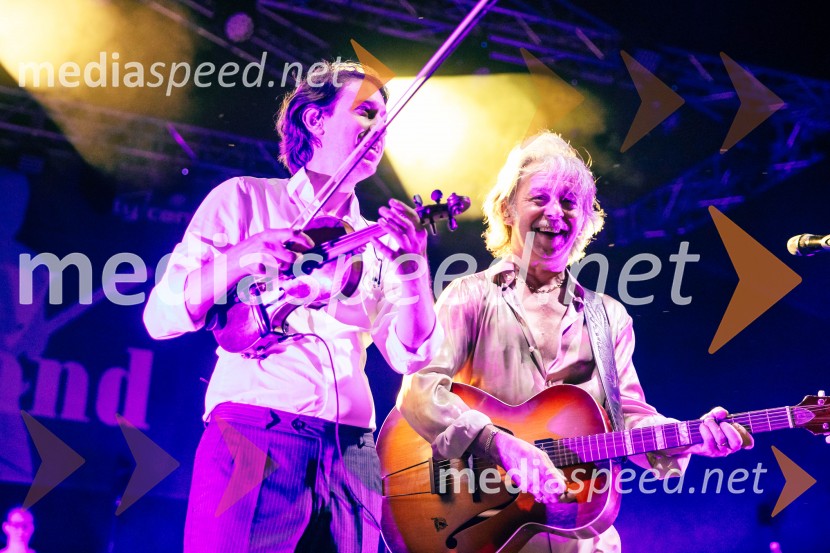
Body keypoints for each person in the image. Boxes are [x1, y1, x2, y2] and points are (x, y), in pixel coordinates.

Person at [397, 131, 752, 552]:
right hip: (482, 528)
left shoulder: (609, 317)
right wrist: (499, 445)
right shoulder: (470, 296)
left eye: (569, 203)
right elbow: (420, 392)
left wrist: (690, 435)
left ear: (585, 220)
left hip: (581, 534)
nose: (555, 213)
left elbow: (630, 422)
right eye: (539, 198)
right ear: (508, 209)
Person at [144, 60, 442, 553]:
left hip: (357, 450)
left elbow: (410, 354)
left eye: (384, 121)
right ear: (316, 120)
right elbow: (161, 315)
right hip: (255, 433)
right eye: (366, 112)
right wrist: (243, 255)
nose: (378, 129)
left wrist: (412, 266)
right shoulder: (244, 200)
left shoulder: (378, 239)